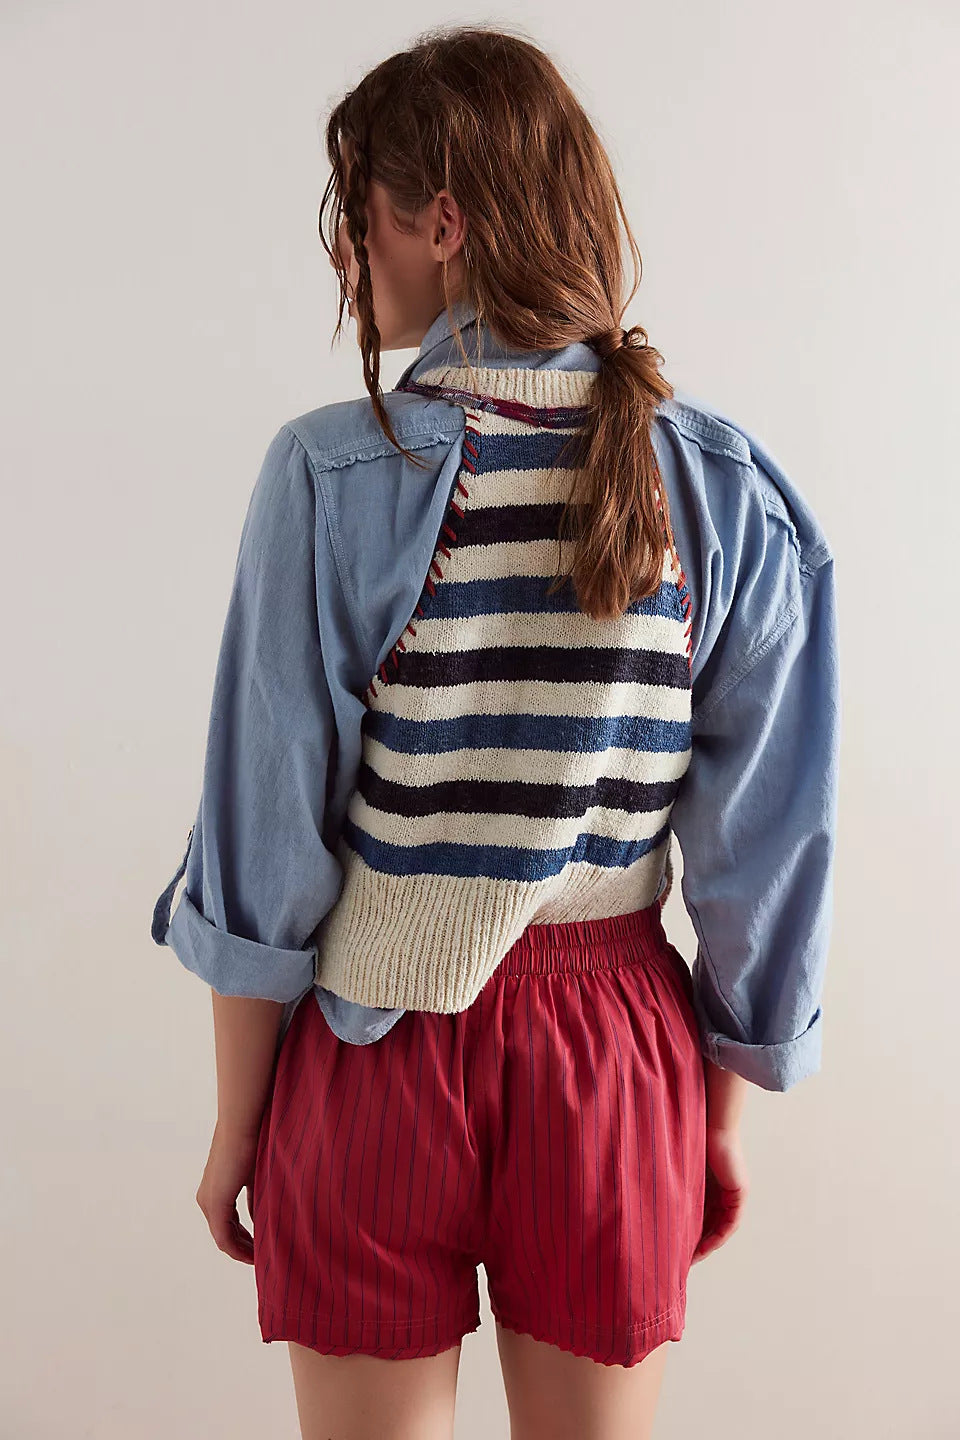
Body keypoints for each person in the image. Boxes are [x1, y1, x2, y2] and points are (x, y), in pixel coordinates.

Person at [150, 25, 839, 1440]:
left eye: (358, 215)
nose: (345, 256)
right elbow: (765, 850)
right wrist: (719, 1111)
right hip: (616, 1058)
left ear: (444, 222)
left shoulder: (332, 473)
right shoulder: (720, 487)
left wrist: (238, 1124)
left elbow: (266, 840)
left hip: (374, 1051)